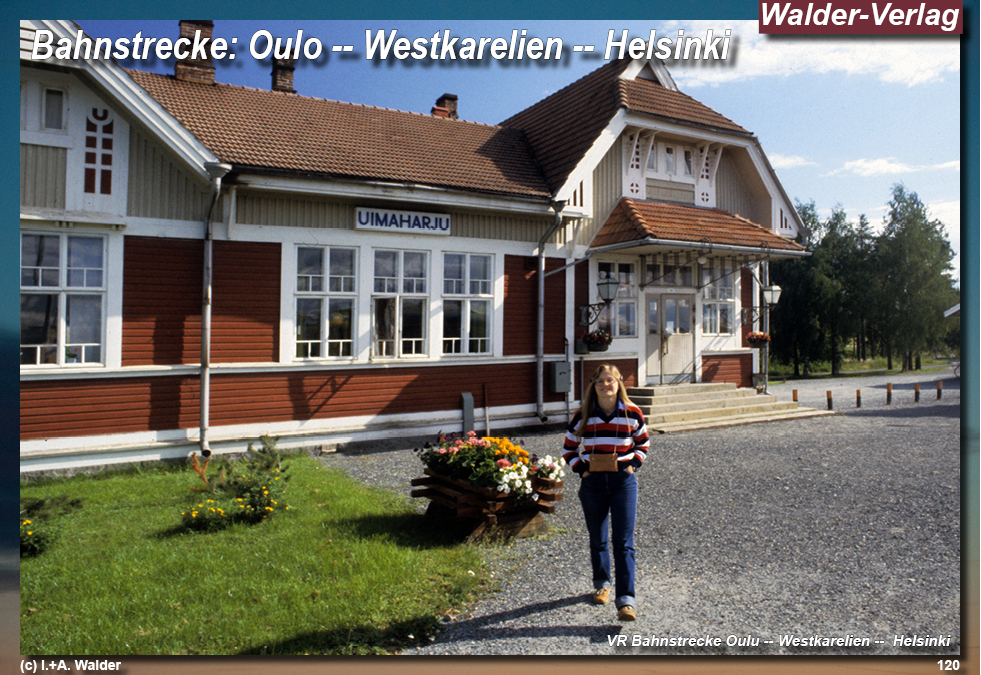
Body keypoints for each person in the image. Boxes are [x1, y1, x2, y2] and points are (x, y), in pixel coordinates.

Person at [562, 364, 649, 622]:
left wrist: (633, 465)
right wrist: (584, 472)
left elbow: (643, 443)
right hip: (593, 484)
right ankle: (602, 584)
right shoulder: (583, 415)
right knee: (597, 538)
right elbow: (568, 449)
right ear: (593, 386)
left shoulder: (632, 413)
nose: (605, 385)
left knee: (624, 543)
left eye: (609, 380)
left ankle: (626, 601)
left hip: (623, 483)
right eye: (599, 381)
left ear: (619, 383)